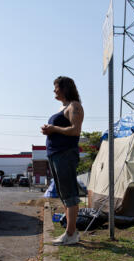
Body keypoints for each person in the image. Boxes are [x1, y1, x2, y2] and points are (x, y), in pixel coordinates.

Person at [41, 76, 84, 245]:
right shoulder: (63, 107)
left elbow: (75, 130)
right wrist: (50, 130)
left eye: (56, 87)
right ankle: (70, 231)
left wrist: (53, 128)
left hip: (65, 154)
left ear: (64, 88)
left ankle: (71, 234)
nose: (54, 90)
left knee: (69, 193)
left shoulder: (74, 106)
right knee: (63, 194)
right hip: (55, 154)